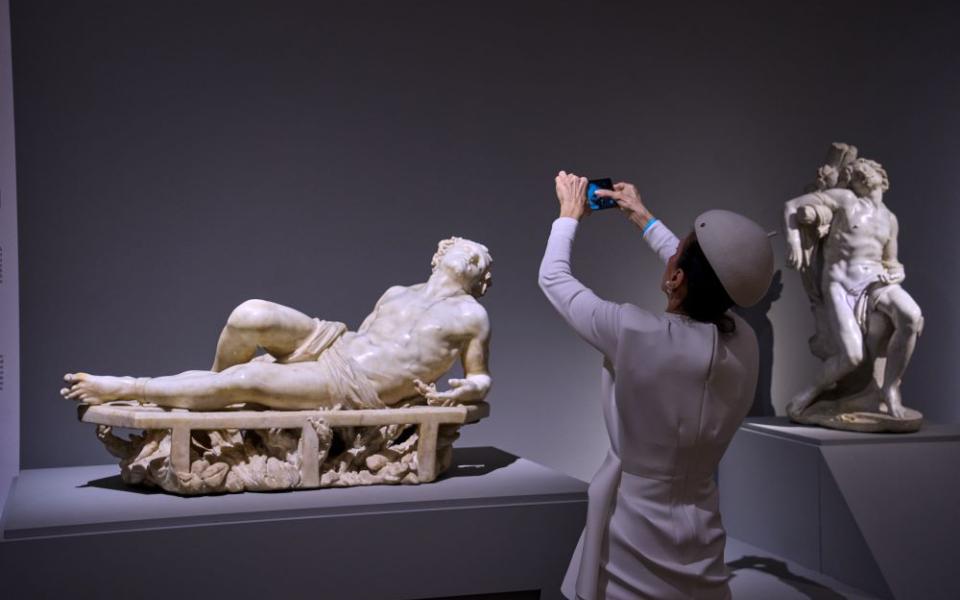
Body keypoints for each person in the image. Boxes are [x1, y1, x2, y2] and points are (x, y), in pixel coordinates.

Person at [540, 171, 774, 600]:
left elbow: (554, 279)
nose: (672, 256)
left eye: (679, 254)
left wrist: (568, 215)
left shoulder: (633, 330)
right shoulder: (744, 343)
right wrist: (644, 219)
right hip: (700, 527)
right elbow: (715, 276)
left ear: (677, 278)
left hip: (632, 526)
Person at [61, 237, 492, 411]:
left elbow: (480, 377)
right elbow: (366, 336)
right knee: (251, 314)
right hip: (336, 344)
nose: (474, 257)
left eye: (481, 260)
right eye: (468, 249)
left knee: (249, 376)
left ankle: (127, 387)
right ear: (439, 254)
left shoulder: (472, 316)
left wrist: (471, 388)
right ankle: (211, 389)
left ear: (480, 281)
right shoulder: (398, 291)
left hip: (357, 385)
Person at [784, 155, 923, 418]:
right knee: (852, 357)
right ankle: (810, 393)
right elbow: (792, 206)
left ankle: (889, 389)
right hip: (842, 284)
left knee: (912, 317)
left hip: (876, 281)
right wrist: (793, 241)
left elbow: (891, 262)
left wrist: (896, 274)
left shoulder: (890, 219)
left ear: (881, 176)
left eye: (865, 168)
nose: (860, 172)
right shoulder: (847, 201)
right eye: (854, 172)